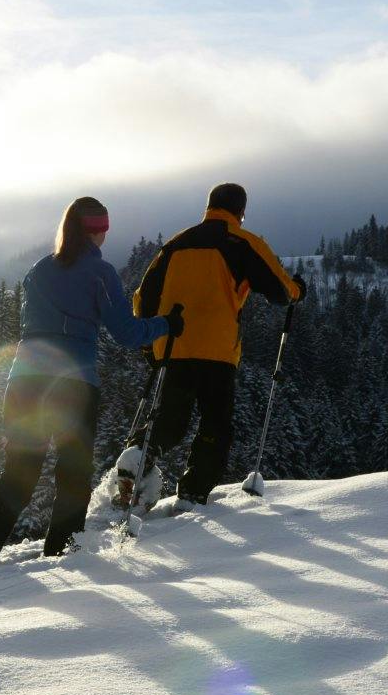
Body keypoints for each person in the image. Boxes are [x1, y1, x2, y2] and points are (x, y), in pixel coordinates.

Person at [0, 197, 179, 574]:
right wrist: (167, 324)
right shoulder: (100, 273)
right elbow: (128, 332)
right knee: (72, 472)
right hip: (72, 385)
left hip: (24, 381)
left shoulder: (36, 272)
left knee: (20, 471)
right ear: (97, 231)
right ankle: (62, 551)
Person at [127, 182, 304, 508]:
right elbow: (279, 289)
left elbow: (142, 296)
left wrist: (149, 340)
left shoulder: (175, 244)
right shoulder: (243, 242)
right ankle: (192, 494)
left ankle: (137, 456)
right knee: (215, 423)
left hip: (172, 345)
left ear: (209, 206)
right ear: (241, 212)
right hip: (216, 350)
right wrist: (297, 290)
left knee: (170, 421)